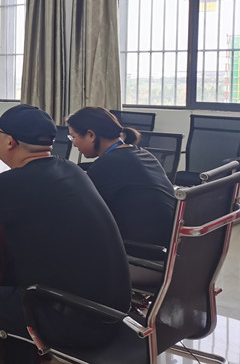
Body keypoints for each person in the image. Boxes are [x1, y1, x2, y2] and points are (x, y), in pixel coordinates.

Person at [0, 104, 131, 363]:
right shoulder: (69, 169)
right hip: (111, 312)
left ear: (10, 141)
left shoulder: (14, 181)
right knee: (6, 277)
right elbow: (28, 209)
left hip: (74, 318)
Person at [67, 107, 176, 266]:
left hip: (143, 256)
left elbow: (80, 213)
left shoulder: (107, 165)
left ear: (91, 135)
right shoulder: (142, 154)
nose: (74, 144)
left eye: (73, 137)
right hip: (170, 251)